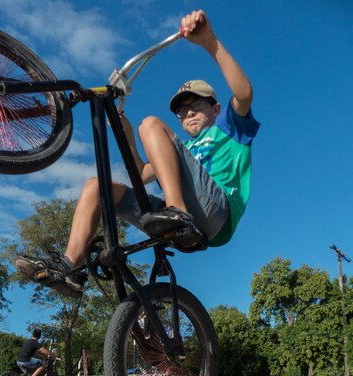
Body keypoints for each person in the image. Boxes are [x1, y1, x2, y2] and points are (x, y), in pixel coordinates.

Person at [15, 9, 260, 298]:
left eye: (197, 105)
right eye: (182, 111)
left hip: (215, 213)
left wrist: (209, 41)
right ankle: (70, 266)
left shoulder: (229, 129)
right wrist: (127, 135)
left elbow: (243, 93)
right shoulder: (179, 151)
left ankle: (178, 212)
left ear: (215, 109)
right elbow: (142, 174)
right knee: (96, 187)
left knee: (152, 124)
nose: (188, 113)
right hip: (181, 219)